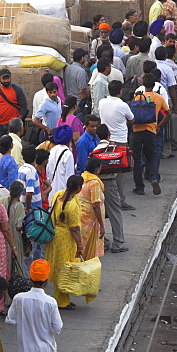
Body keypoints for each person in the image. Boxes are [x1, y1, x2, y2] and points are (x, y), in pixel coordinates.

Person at [45, 175, 83, 310]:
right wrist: (80, 245)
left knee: (58, 268)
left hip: (55, 236)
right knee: (64, 269)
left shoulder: (57, 196)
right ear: (78, 189)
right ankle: (62, 301)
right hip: (66, 239)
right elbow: (74, 229)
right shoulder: (72, 206)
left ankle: (63, 298)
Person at [131, 73, 169, 197]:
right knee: (151, 156)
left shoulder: (138, 97)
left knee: (137, 159)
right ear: (154, 84)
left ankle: (139, 187)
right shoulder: (158, 98)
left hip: (137, 132)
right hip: (151, 131)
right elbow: (169, 113)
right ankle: (153, 177)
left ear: (143, 84)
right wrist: (159, 125)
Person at [0, 69, 28, 142]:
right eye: (4, 78)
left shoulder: (17, 89)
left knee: (13, 146)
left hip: (13, 125)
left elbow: (24, 107)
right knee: (0, 147)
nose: (6, 80)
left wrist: (17, 120)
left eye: (8, 78)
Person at [78, 157, 105, 261]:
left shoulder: (83, 177)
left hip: (82, 215)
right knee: (89, 246)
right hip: (91, 219)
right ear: (97, 169)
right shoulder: (94, 183)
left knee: (82, 242)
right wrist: (101, 225)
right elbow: (96, 205)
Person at [47, 125, 75, 201]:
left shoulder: (53, 150)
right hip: (63, 193)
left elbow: (48, 171)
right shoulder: (68, 154)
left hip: (52, 191)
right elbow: (70, 177)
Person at [7, 180, 26, 266]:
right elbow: (19, 227)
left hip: (4, 236)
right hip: (15, 237)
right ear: (20, 193)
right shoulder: (19, 206)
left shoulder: (2, 201)